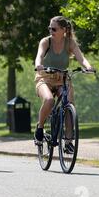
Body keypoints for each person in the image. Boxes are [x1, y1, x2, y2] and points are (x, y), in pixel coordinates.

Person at [34, 16, 94, 150]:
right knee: (49, 100)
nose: (51, 30)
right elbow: (39, 55)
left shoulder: (70, 43)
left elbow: (81, 58)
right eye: (49, 28)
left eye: (54, 28)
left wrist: (88, 67)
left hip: (62, 79)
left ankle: (68, 142)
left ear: (63, 30)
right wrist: (38, 64)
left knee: (68, 104)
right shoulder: (46, 42)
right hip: (44, 77)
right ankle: (40, 127)